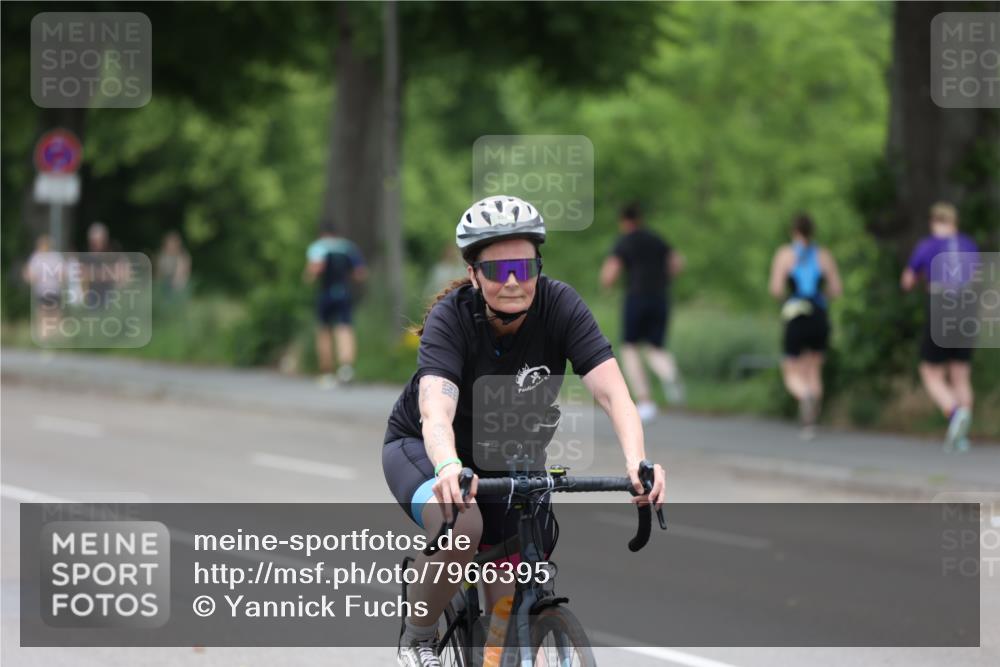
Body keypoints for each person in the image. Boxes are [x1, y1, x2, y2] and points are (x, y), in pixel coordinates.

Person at [383, 195, 665, 667]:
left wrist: (637, 462)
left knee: (506, 606)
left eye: (525, 267)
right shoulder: (451, 319)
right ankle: (418, 633)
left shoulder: (560, 305)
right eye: (496, 270)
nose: (513, 281)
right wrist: (449, 465)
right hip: (422, 447)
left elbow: (615, 393)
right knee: (464, 526)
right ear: (474, 274)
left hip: (508, 455)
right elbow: (436, 411)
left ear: (538, 266)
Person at [901, 202, 980, 452]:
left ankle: (954, 412)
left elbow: (907, 280)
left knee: (931, 371)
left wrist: (922, 278)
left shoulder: (929, 245)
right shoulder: (969, 244)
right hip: (967, 308)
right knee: (961, 373)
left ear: (935, 221)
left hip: (941, 304)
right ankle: (962, 435)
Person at [599, 203, 685, 423]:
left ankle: (645, 401)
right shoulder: (656, 238)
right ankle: (670, 375)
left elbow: (610, 272)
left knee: (630, 348)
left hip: (636, 297)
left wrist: (607, 286)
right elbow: (677, 263)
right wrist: (663, 278)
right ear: (641, 218)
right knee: (656, 348)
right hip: (660, 297)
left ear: (624, 221)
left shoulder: (625, 240)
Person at [768, 214, 842, 439]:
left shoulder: (785, 254)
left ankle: (804, 395)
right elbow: (836, 289)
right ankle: (810, 424)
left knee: (791, 369)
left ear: (794, 231)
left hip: (796, 312)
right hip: (819, 313)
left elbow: (776, 289)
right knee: (813, 369)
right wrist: (821, 298)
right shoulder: (824, 255)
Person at [304, 222, 367, 388]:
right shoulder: (348, 247)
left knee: (324, 331)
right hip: (344, 293)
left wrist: (308, 277)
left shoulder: (318, 247)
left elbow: (314, 271)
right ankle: (346, 369)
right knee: (345, 329)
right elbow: (360, 273)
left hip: (326, 293)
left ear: (323, 234)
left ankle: (327, 372)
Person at [22, 234, 64, 342]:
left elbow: (63, 272)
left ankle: (55, 336)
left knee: (55, 312)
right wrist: (31, 277)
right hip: (41, 290)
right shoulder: (36, 257)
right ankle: (43, 336)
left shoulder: (55, 256)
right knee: (42, 312)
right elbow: (29, 273)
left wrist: (60, 277)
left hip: (54, 289)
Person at [155, 231, 191, 303]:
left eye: (171, 243)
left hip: (177, 282)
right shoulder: (162, 255)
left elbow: (182, 272)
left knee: (173, 283)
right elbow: (158, 272)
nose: (169, 245)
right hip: (164, 281)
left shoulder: (182, 256)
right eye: (168, 243)